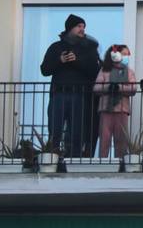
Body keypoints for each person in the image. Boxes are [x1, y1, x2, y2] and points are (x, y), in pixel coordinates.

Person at [40, 14, 103, 157]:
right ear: (70, 28)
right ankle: (52, 160)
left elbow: (95, 72)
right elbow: (44, 70)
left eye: (83, 27)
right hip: (58, 95)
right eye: (79, 26)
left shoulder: (88, 49)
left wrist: (77, 61)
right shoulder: (56, 47)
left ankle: (74, 162)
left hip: (80, 96)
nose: (82, 29)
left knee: (77, 133)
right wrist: (60, 60)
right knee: (55, 131)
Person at [93, 45, 138, 159]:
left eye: (128, 54)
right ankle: (102, 163)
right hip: (106, 109)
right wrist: (109, 87)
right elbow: (96, 88)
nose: (126, 56)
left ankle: (120, 164)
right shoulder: (104, 70)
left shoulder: (129, 72)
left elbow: (133, 89)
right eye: (124, 54)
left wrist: (119, 87)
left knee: (121, 140)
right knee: (104, 139)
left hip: (122, 109)